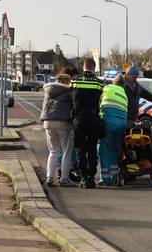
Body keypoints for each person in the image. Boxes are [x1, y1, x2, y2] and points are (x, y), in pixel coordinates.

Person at [71, 59, 104, 188]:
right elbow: (101, 101)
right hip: (94, 119)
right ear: (94, 68)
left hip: (79, 119)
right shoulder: (99, 83)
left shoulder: (75, 80)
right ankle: (91, 176)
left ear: (83, 67)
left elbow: (72, 97)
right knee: (92, 148)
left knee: (80, 148)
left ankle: (83, 177)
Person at [41, 73, 74, 186]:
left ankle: (50, 177)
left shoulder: (48, 91)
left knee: (53, 151)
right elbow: (73, 106)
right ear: (67, 82)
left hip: (48, 123)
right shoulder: (68, 91)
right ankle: (64, 179)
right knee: (66, 151)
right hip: (63, 123)